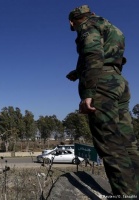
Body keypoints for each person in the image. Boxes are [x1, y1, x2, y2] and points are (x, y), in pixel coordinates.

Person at [66, 5, 139, 197]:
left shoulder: (87, 27)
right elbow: (114, 56)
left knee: (110, 144)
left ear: (73, 20)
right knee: (128, 142)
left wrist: (89, 91)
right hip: (118, 83)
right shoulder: (111, 27)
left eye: (72, 24)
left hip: (102, 86)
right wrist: (78, 72)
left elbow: (93, 54)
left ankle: (126, 195)